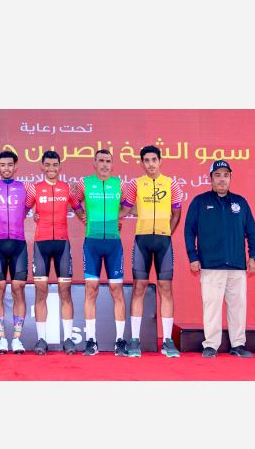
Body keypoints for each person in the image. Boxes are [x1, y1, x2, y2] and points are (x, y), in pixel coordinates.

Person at [184, 160, 255, 358]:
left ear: (230, 178)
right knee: (212, 307)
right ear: (211, 178)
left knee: (238, 307)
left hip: (237, 266)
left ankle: (238, 344)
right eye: (217, 175)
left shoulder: (240, 202)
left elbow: (252, 232)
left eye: (226, 175)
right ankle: (211, 345)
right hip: (211, 265)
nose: (222, 179)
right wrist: (193, 256)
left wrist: (253, 256)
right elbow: (189, 231)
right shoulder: (200, 202)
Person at [119, 145, 182, 358]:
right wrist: (99, 215)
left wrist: (167, 233)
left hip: (163, 241)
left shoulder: (171, 184)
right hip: (142, 241)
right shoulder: (135, 184)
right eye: (146, 160)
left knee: (166, 289)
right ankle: (135, 340)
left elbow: (176, 212)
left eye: (154, 160)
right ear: (142, 163)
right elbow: (124, 209)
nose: (151, 164)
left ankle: (167, 341)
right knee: (139, 288)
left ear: (160, 161)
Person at [71, 150, 129, 356]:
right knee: (91, 289)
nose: (104, 165)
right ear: (94, 163)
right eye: (101, 161)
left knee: (116, 290)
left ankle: (120, 341)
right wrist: (82, 215)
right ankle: (91, 341)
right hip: (92, 243)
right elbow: (74, 201)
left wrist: (116, 219)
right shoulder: (85, 183)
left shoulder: (120, 184)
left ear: (112, 164)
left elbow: (128, 206)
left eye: (108, 161)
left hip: (114, 244)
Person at [0, 151, 35, 354]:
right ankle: (1, 339)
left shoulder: (26, 187)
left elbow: (30, 206)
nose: (6, 168)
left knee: (19, 288)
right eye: (2, 165)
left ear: (15, 166)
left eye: (10, 165)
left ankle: (17, 339)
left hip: (18, 243)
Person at [28, 150, 84, 355]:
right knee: (40, 292)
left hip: (62, 245)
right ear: (42, 167)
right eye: (48, 165)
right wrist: (33, 214)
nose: (51, 168)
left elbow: (81, 212)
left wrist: (104, 220)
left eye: (55, 165)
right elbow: (20, 211)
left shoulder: (67, 189)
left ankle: (68, 339)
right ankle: (41, 339)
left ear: (60, 167)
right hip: (41, 245)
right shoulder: (35, 189)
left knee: (65, 292)